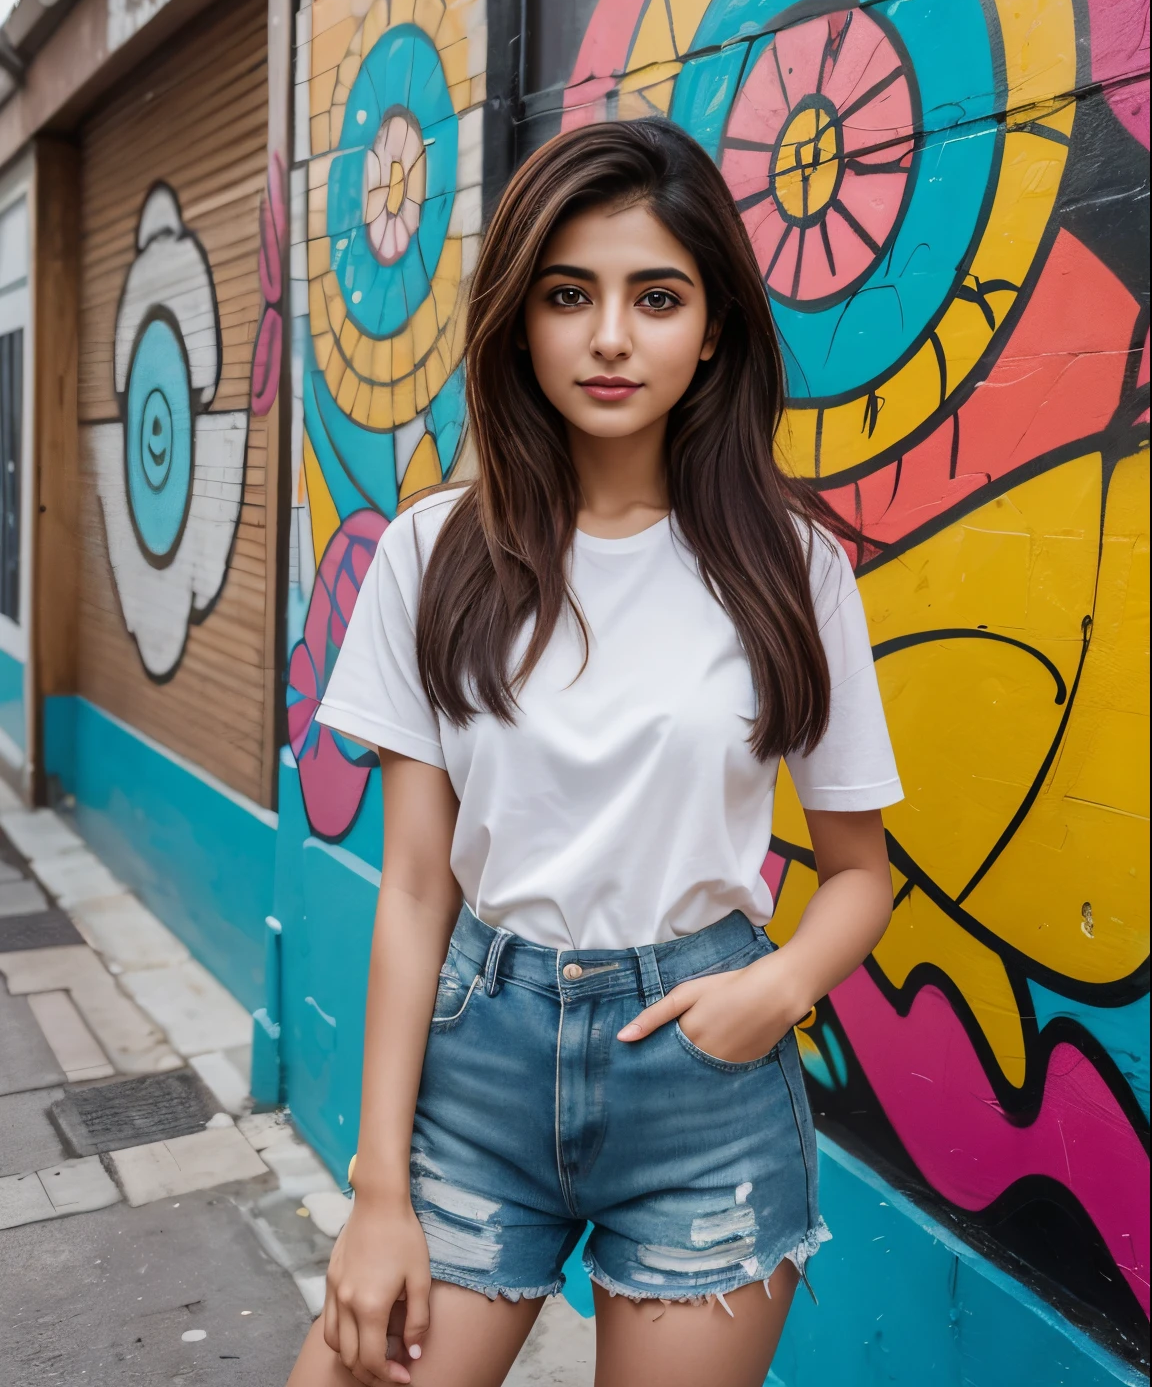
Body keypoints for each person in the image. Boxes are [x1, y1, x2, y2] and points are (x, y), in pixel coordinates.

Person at [287, 119, 901, 1387]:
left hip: (704, 1083)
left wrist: (772, 995)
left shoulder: (793, 571)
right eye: (570, 296)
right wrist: (378, 1186)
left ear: (714, 325)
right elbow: (414, 887)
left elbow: (860, 875)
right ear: (521, 319)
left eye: (656, 297)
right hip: (478, 1067)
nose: (610, 337)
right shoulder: (433, 553)